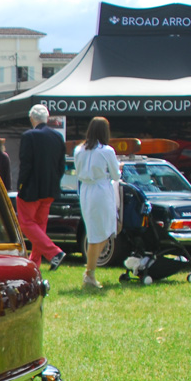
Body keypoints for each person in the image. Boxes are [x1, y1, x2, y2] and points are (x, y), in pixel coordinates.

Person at [17, 103, 66, 269]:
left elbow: (26, 164)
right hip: (50, 188)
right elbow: (61, 165)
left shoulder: (29, 136)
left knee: (26, 223)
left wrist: (21, 185)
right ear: (47, 118)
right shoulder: (58, 137)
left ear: (32, 118)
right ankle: (36, 262)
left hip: (31, 188)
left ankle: (54, 252)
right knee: (39, 226)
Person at [74, 117, 121, 289]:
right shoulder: (106, 150)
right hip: (101, 190)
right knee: (100, 232)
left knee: (97, 230)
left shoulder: (79, 149)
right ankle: (90, 273)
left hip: (86, 191)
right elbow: (116, 175)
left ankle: (90, 271)